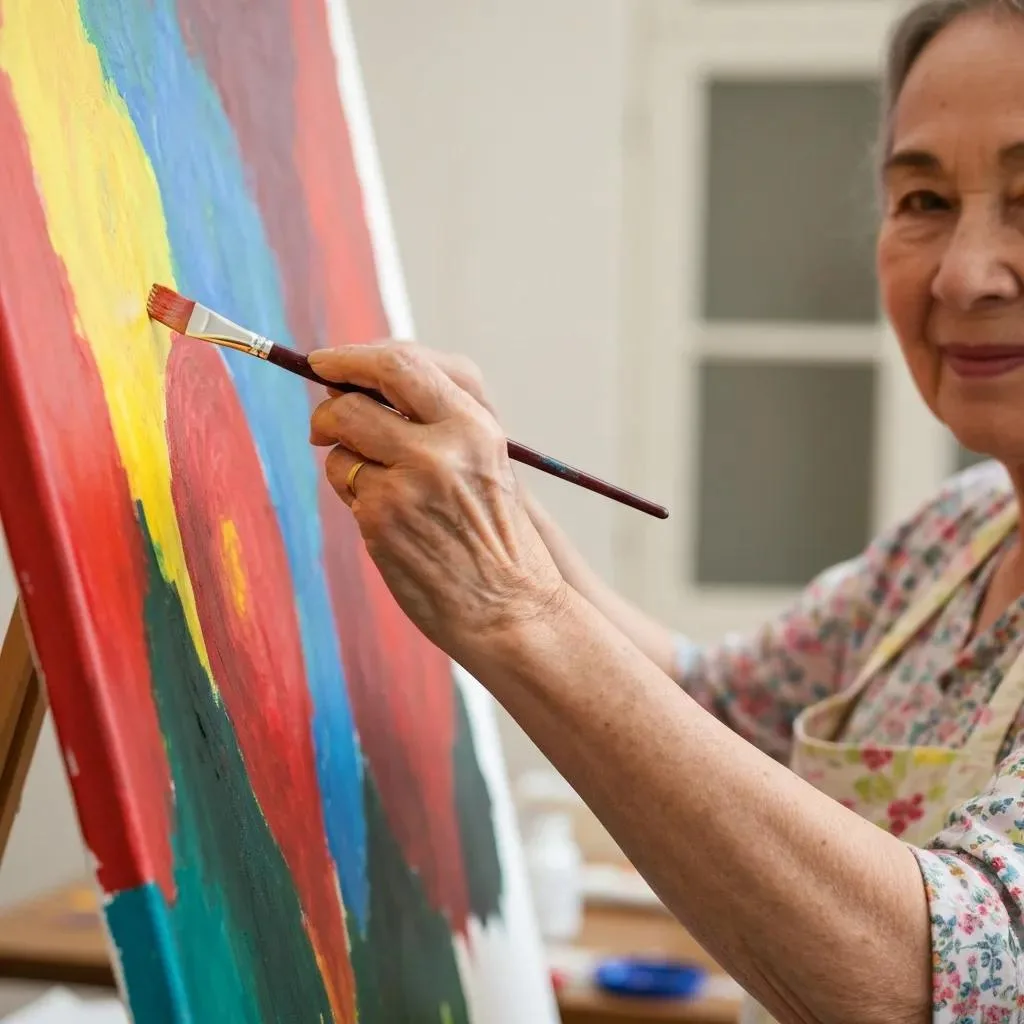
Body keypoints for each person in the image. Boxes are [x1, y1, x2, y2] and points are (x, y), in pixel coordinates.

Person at [307, 1, 1024, 1020]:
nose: (963, 271)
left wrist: (513, 610)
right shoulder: (954, 537)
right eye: (921, 198)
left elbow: (943, 978)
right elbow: (711, 704)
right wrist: (492, 504)